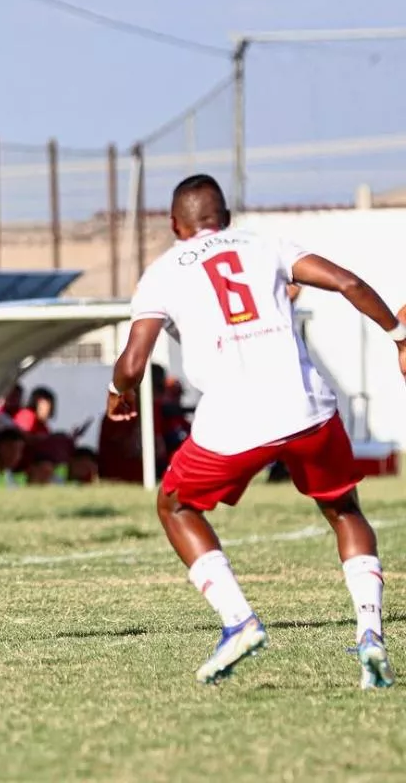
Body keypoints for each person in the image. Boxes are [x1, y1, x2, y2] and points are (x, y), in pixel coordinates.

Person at [107, 173, 404, 688]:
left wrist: (120, 393)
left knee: (175, 505)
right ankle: (370, 635)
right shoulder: (265, 244)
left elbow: (134, 361)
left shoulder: (162, 272)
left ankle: (239, 622)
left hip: (233, 420)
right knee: (344, 510)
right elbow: (348, 284)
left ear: (176, 224)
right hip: (308, 406)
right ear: (224, 217)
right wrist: (399, 337)